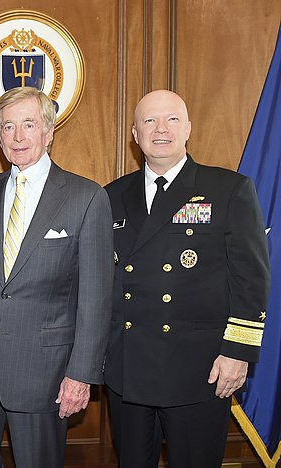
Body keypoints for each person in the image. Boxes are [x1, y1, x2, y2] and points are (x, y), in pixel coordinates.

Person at [104, 89, 270, 467]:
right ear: (134, 134)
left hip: (200, 369)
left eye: (172, 119)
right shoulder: (111, 196)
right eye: (149, 120)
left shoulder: (227, 189)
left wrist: (238, 353)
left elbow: (251, 280)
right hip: (128, 369)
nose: (160, 129)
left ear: (188, 129)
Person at [0, 86, 113, 468]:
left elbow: (95, 298)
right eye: (7, 127)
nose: (18, 136)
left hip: (45, 372)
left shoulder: (86, 197)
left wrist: (81, 374)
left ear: (49, 131)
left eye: (28, 124)